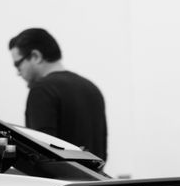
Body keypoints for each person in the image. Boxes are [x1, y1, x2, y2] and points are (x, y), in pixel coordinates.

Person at [8, 28, 107, 162]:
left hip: (63, 176)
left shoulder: (42, 90)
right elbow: (102, 153)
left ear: (36, 56)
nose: (18, 73)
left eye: (18, 65)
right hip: (95, 175)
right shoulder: (92, 88)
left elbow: (42, 155)